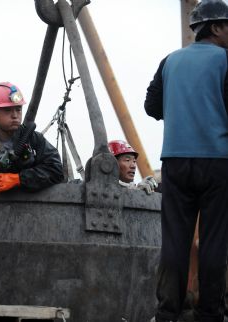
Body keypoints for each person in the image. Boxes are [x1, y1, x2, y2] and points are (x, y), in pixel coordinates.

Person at [144, 1, 228, 321]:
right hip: (217, 161)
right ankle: (209, 312)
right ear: (216, 28)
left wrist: (182, 110)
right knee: (214, 240)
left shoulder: (170, 61)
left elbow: (152, 106)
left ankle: (168, 312)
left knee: (175, 240)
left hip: (175, 161)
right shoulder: (226, 60)